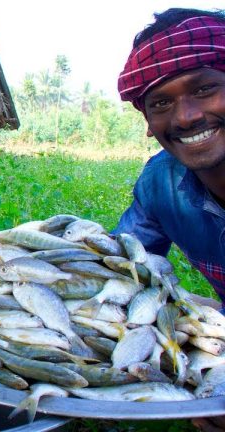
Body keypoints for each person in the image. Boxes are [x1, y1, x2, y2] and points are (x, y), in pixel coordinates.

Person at [114, 8, 225, 313]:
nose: (187, 117)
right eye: (162, 102)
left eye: (204, 89)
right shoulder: (161, 183)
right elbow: (121, 266)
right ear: (148, 121)